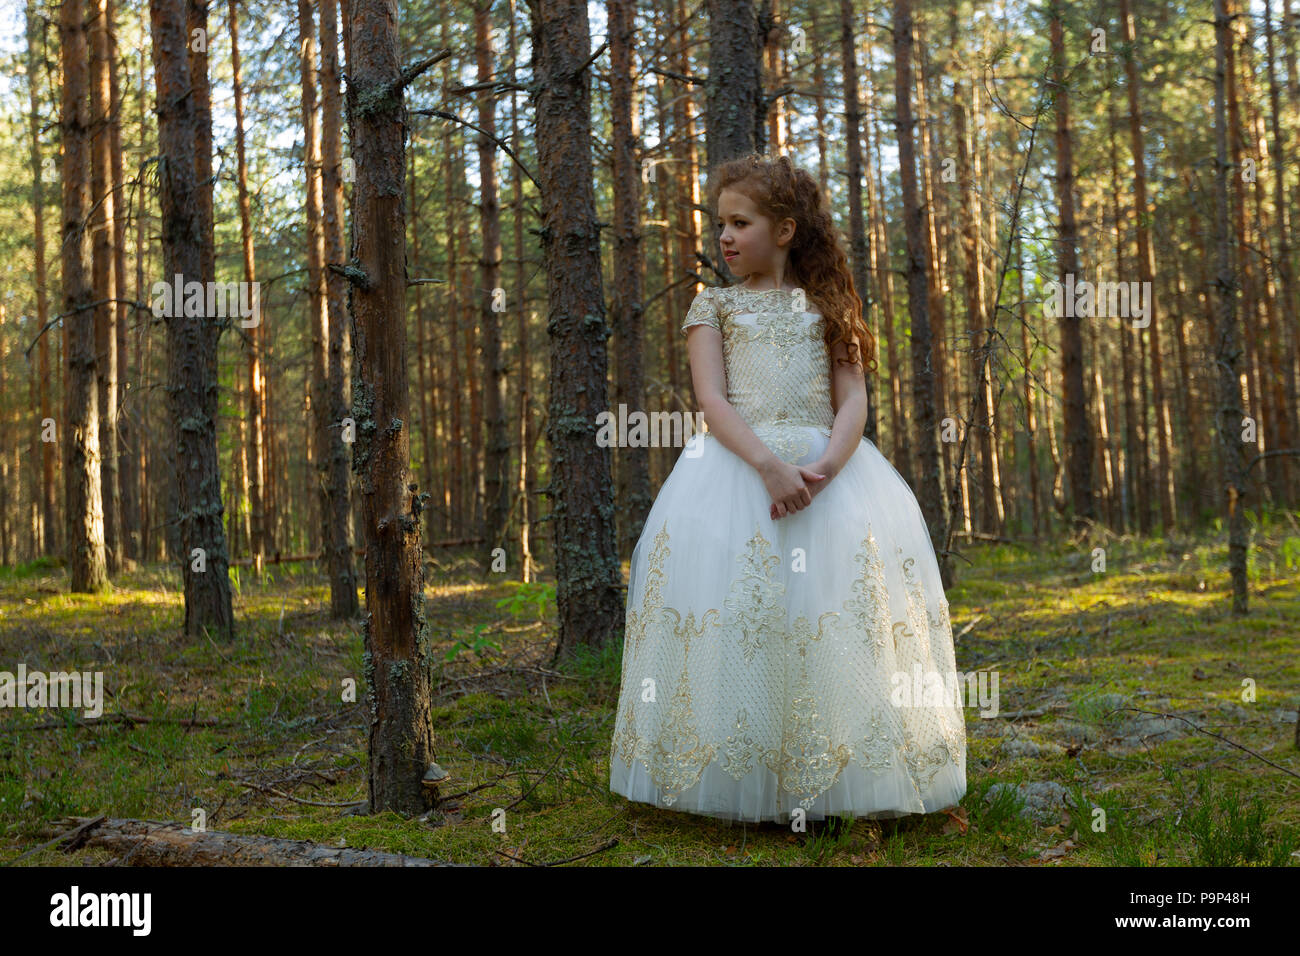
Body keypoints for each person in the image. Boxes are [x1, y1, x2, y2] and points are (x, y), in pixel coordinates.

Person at [608, 153, 966, 825]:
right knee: (744, 618)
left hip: (834, 476)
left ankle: (839, 779)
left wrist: (826, 468)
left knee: (831, 618)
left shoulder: (828, 303)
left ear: (786, 229)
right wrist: (769, 466)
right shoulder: (711, 306)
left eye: (740, 223)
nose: (725, 237)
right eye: (720, 224)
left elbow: (853, 398)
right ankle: (746, 775)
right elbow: (713, 401)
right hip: (736, 472)